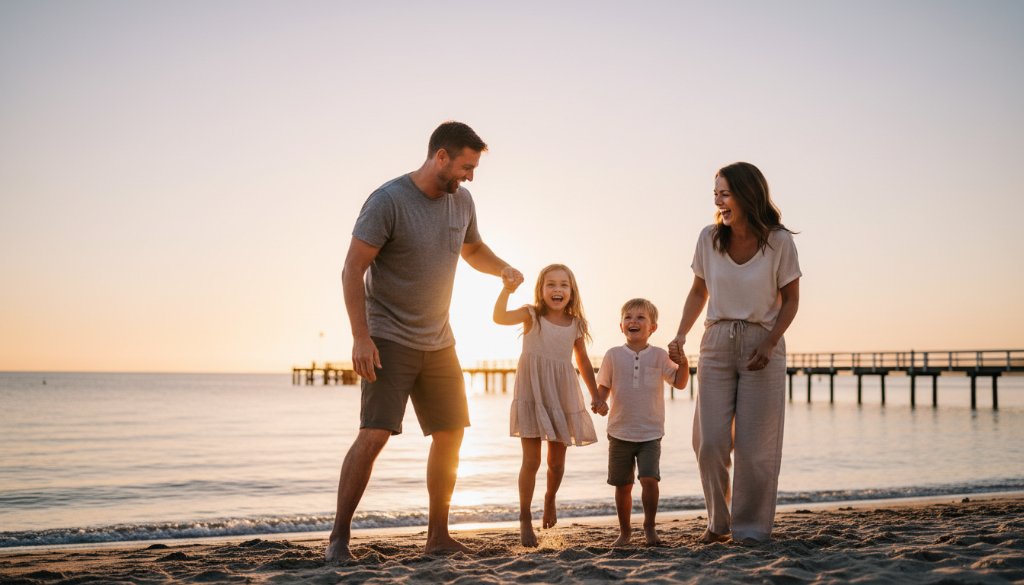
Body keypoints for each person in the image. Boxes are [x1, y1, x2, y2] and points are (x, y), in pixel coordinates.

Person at [326, 121, 524, 561]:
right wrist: (361, 337)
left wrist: (503, 268)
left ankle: (438, 535)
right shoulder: (388, 201)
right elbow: (352, 269)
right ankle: (339, 537)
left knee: (451, 434)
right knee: (375, 434)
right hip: (389, 336)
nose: (470, 176)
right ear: (441, 157)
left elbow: (472, 250)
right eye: (466, 167)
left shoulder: (463, 201)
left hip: (440, 339)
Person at [668, 162, 801, 544]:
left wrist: (771, 340)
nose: (718, 201)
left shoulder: (779, 241)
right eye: (715, 194)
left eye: (724, 193)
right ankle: (718, 520)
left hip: (764, 343)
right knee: (708, 441)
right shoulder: (709, 238)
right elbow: (698, 292)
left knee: (756, 447)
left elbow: (791, 300)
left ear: (746, 194)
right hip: (716, 342)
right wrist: (680, 334)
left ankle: (751, 530)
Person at [493, 263, 601, 547]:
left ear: (572, 290)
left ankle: (550, 498)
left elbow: (583, 361)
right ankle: (525, 518)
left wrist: (596, 395)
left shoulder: (576, 323)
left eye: (563, 285)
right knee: (532, 461)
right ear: (541, 290)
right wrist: (506, 290)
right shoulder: (532, 315)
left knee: (556, 463)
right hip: (532, 391)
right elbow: (499, 317)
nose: (557, 289)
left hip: (562, 393)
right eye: (550, 284)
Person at [596, 298, 689, 547]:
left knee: (649, 479)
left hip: (650, 432)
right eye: (628, 317)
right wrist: (601, 401)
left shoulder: (659, 355)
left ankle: (649, 528)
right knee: (623, 485)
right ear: (621, 326)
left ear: (653, 327)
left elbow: (680, 382)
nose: (633, 321)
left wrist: (684, 361)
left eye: (640, 317)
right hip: (619, 431)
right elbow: (603, 385)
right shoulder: (613, 355)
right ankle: (625, 532)